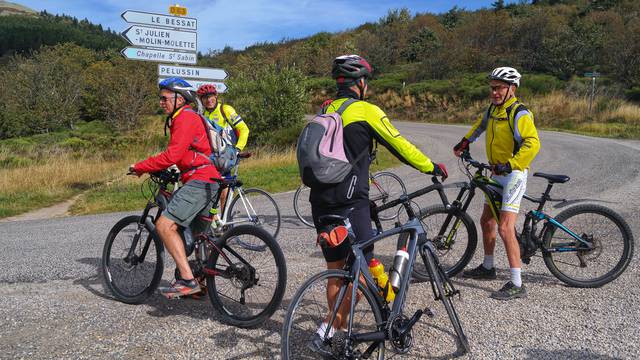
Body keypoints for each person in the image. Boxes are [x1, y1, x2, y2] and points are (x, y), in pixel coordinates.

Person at [308, 54, 448, 355]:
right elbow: (399, 144)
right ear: (360, 83)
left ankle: (333, 329)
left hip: (320, 201)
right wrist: (430, 166)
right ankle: (334, 333)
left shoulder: (325, 110)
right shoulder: (367, 110)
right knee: (358, 269)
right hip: (350, 200)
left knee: (336, 268)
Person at [453, 66, 540, 300]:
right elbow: (480, 126)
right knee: (486, 220)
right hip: (497, 172)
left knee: (505, 227)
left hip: (513, 174)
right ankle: (488, 267)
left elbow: (532, 144)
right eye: (492, 88)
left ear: (512, 88)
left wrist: (511, 164)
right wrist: (464, 141)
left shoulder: (519, 113)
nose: (494, 93)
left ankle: (517, 283)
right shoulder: (493, 109)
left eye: (499, 88)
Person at [130, 77, 220, 299]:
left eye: (164, 98)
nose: (161, 102)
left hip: (200, 181)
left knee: (164, 226)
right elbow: (185, 155)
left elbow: (172, 155)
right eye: (160, 98)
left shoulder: (185, 118)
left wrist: (141, 167)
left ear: (180, 99)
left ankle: (188, 280)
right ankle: (200, 282)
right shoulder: (187, 118)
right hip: (209, 180)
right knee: (196, 237)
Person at [197, 84, 249, 214]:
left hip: (226, 156)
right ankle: (215, 221)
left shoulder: (225, 110)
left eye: (211, 96)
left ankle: (225, 221)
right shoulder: (202, 114)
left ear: (216, 96)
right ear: (201, 100)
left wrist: (237, 150)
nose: (209, 100)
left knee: (221, 193)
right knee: (207, 190)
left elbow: (244, 129)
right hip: (210, 158)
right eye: (205, 97)